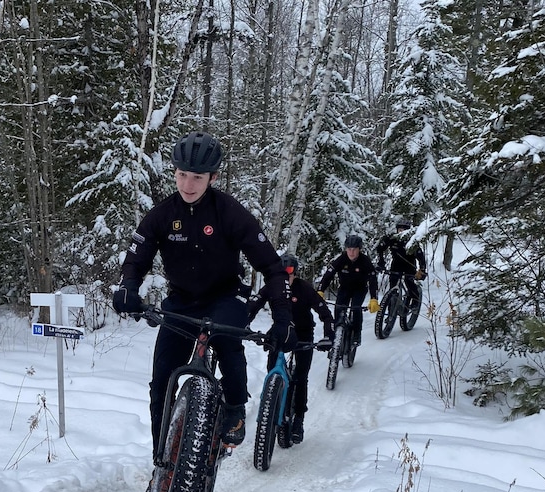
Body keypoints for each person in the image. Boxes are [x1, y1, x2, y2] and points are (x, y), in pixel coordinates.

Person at [111, 131, 296, 472]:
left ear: (213, 177)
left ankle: (236, 408)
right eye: (182, 174)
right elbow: (136, 258)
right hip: (181, 302)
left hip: (225, 296)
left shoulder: (230, 213)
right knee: (162, 382)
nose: (188, 183)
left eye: (197, 177)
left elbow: (272, 267)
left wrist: (283, 318)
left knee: (228, 342)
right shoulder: (163, 214)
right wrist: (127, 289)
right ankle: (161, 465)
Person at [246, 252, 335, 444]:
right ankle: (273, 404)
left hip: (303, 334)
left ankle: (299, 419)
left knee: (300, 377)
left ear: (295, 271)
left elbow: (325, 313)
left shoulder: (304, 289)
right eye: (282, 270)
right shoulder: (272, 287)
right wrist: (244, 323)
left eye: (290, 270)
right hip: (280, 331)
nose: (287, 274)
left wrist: (328, 336)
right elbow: (254, 304)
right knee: (272, 372)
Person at [317, 234, 379, 346]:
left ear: (359, 249)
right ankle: (336, 337)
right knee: (338, 308)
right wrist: (320, 290)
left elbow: (373, 280)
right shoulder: (341, 259)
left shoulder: (365, 261)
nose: (351, 252)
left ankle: (356, 334)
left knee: (356, 309)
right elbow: (328, 275)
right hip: (344, 288)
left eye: (354, 249)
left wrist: (374, 298)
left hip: (360, 289)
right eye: (349, 249)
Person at [375, 217, 428, 306]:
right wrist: (381, 262)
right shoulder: (392, 238)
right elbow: (380, 249)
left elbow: (420, 256)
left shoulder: (412, 241)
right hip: (396, 264)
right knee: (392, 286)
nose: (401, 232)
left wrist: (422, 269)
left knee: (409, 283)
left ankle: (415, 301)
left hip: (409, 265)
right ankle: (391, 310)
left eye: (404, 230)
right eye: (399, 229)